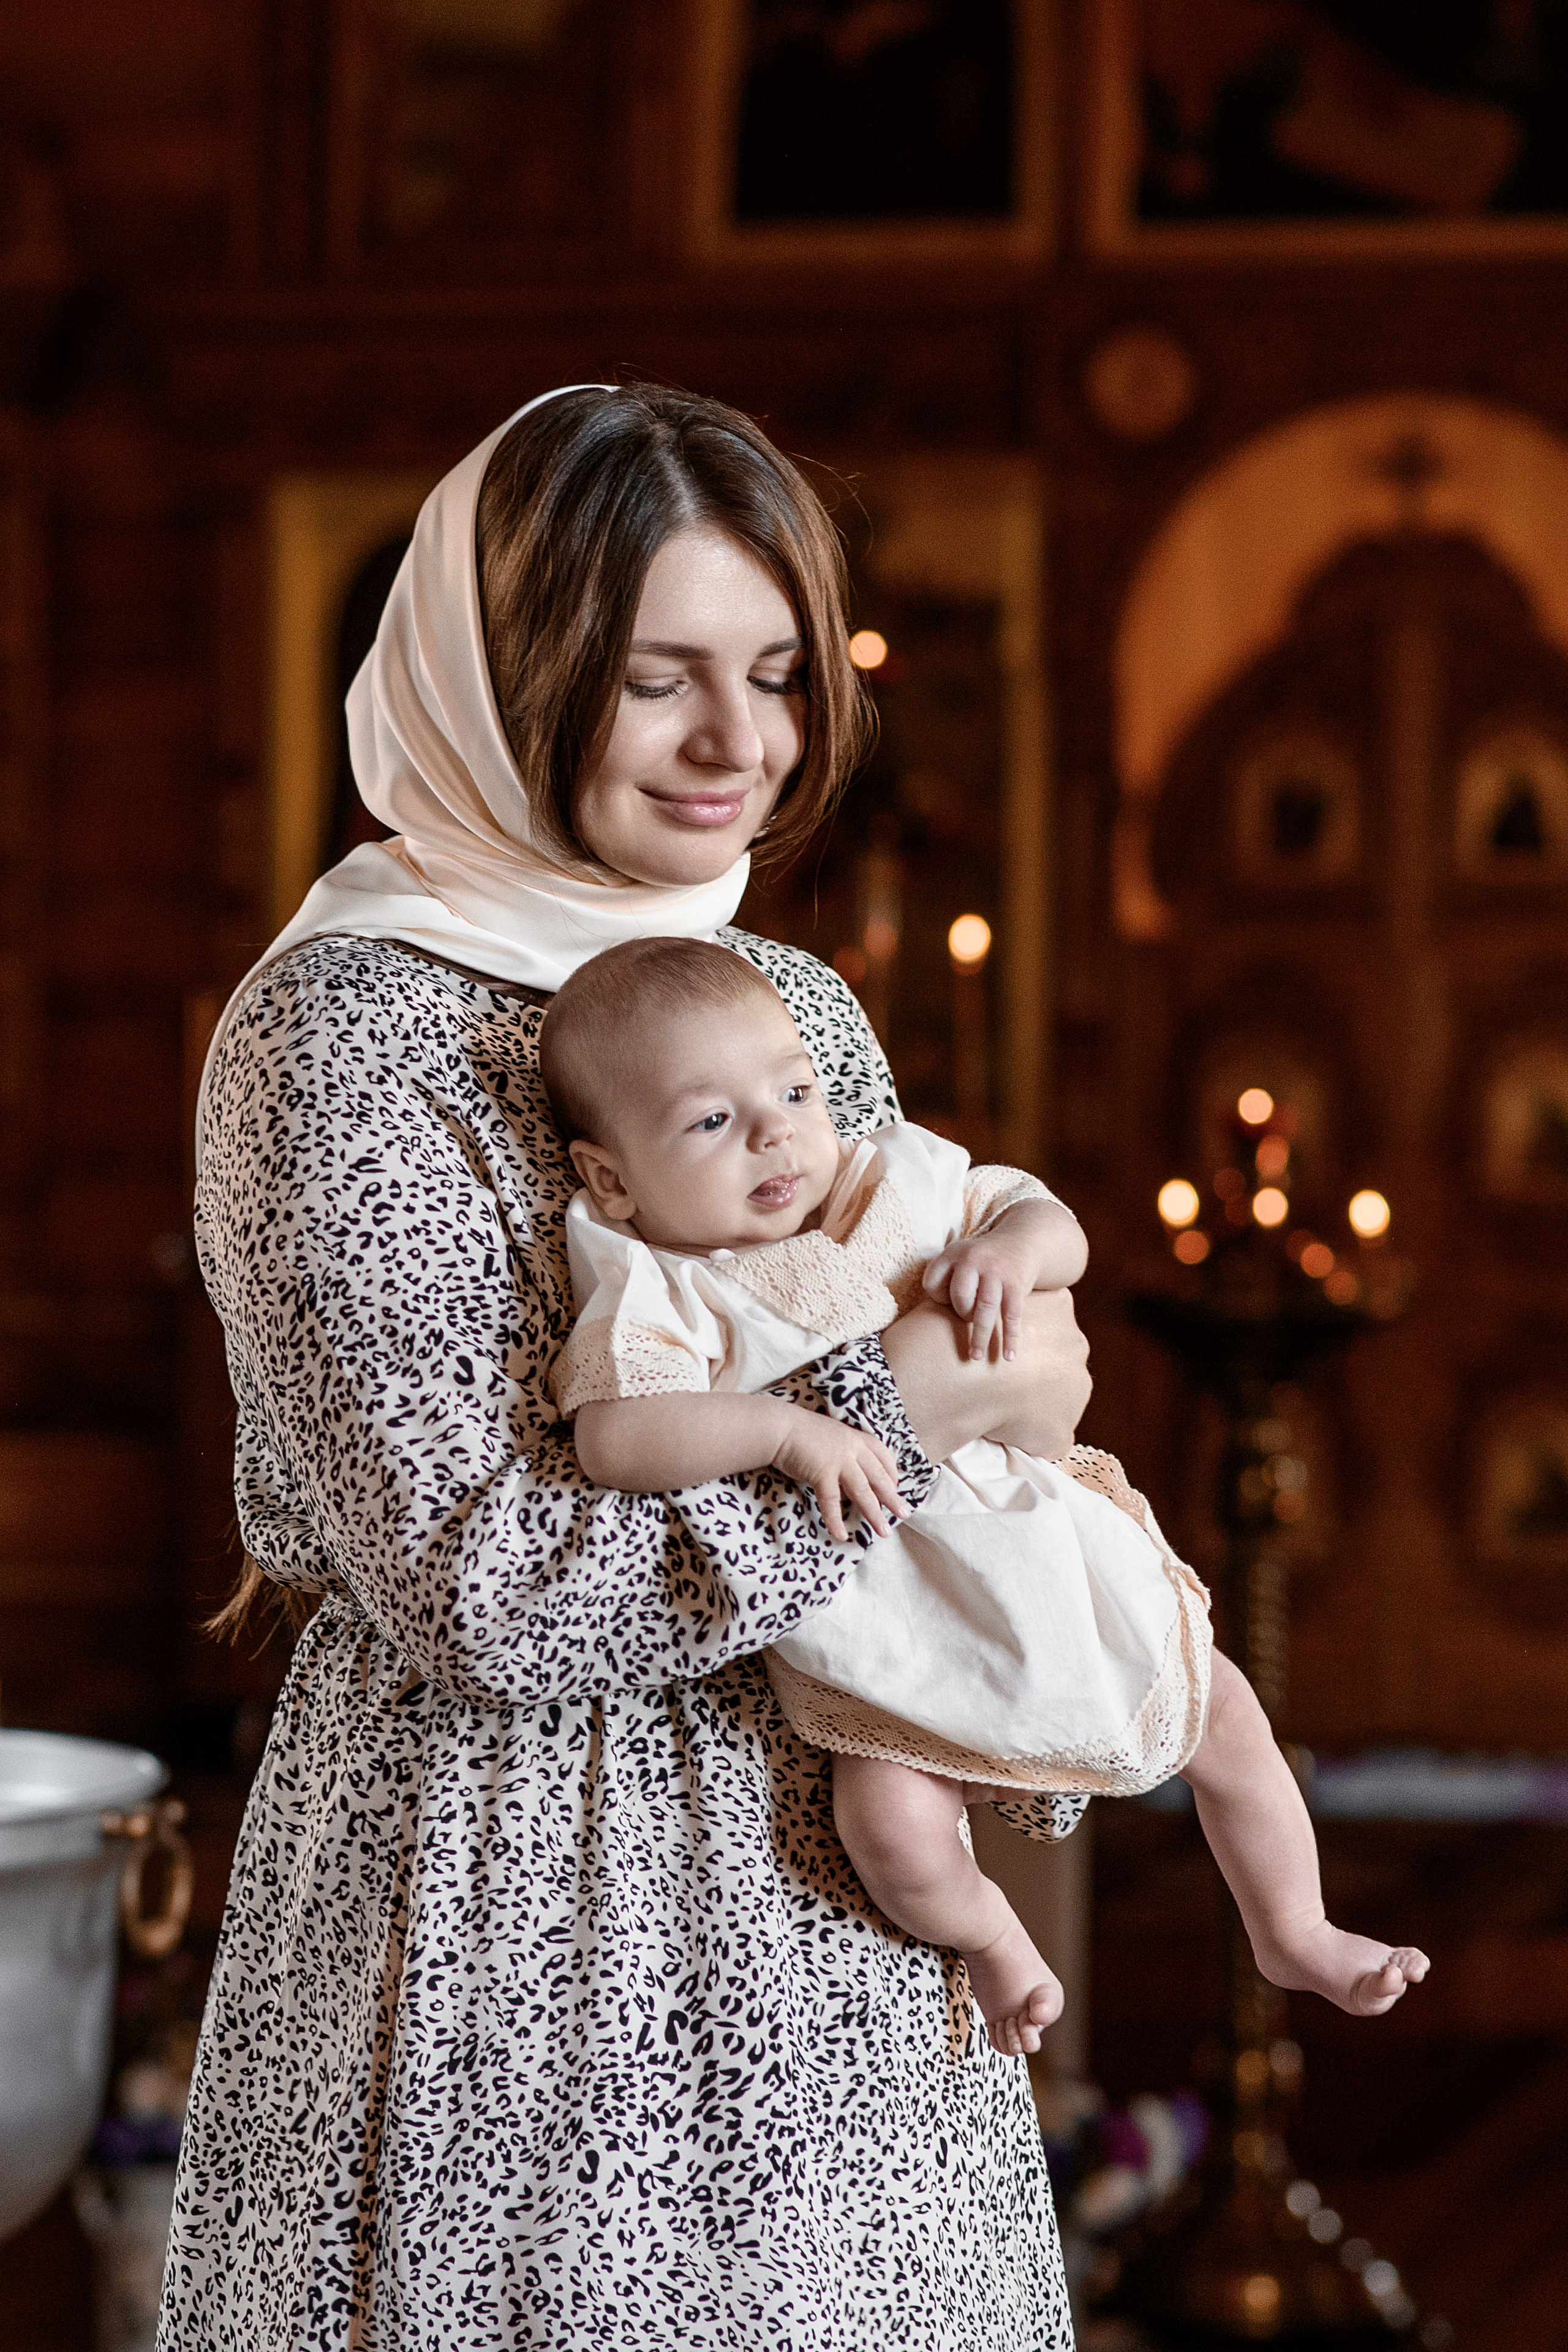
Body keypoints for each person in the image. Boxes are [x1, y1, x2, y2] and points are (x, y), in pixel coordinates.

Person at [159, 382, 1096, 2352]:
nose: (740, 744)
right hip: (510, 1911)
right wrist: (909, 1415)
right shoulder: (341, 1041)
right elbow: (485, 1589)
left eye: (773, 671)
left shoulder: (795, 1007)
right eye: (660, 677)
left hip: (839, 1879)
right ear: (506, 676)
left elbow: (1016, 1382)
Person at [535, 937, 1432, 2062]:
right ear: (612, 1179)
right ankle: (993, 1935)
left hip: (1032, 1538)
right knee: (891, 1825)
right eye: (709, 1121)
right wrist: (781, 1428)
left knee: (1228, 1716)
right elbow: (619, 1436)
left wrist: (1010, 1255)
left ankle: (1293, 1926)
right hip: (875, 1612)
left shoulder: (886, 1180)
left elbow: (1053, 1221)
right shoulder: (657, 1282)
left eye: (794, 1092)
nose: (773, 1132)